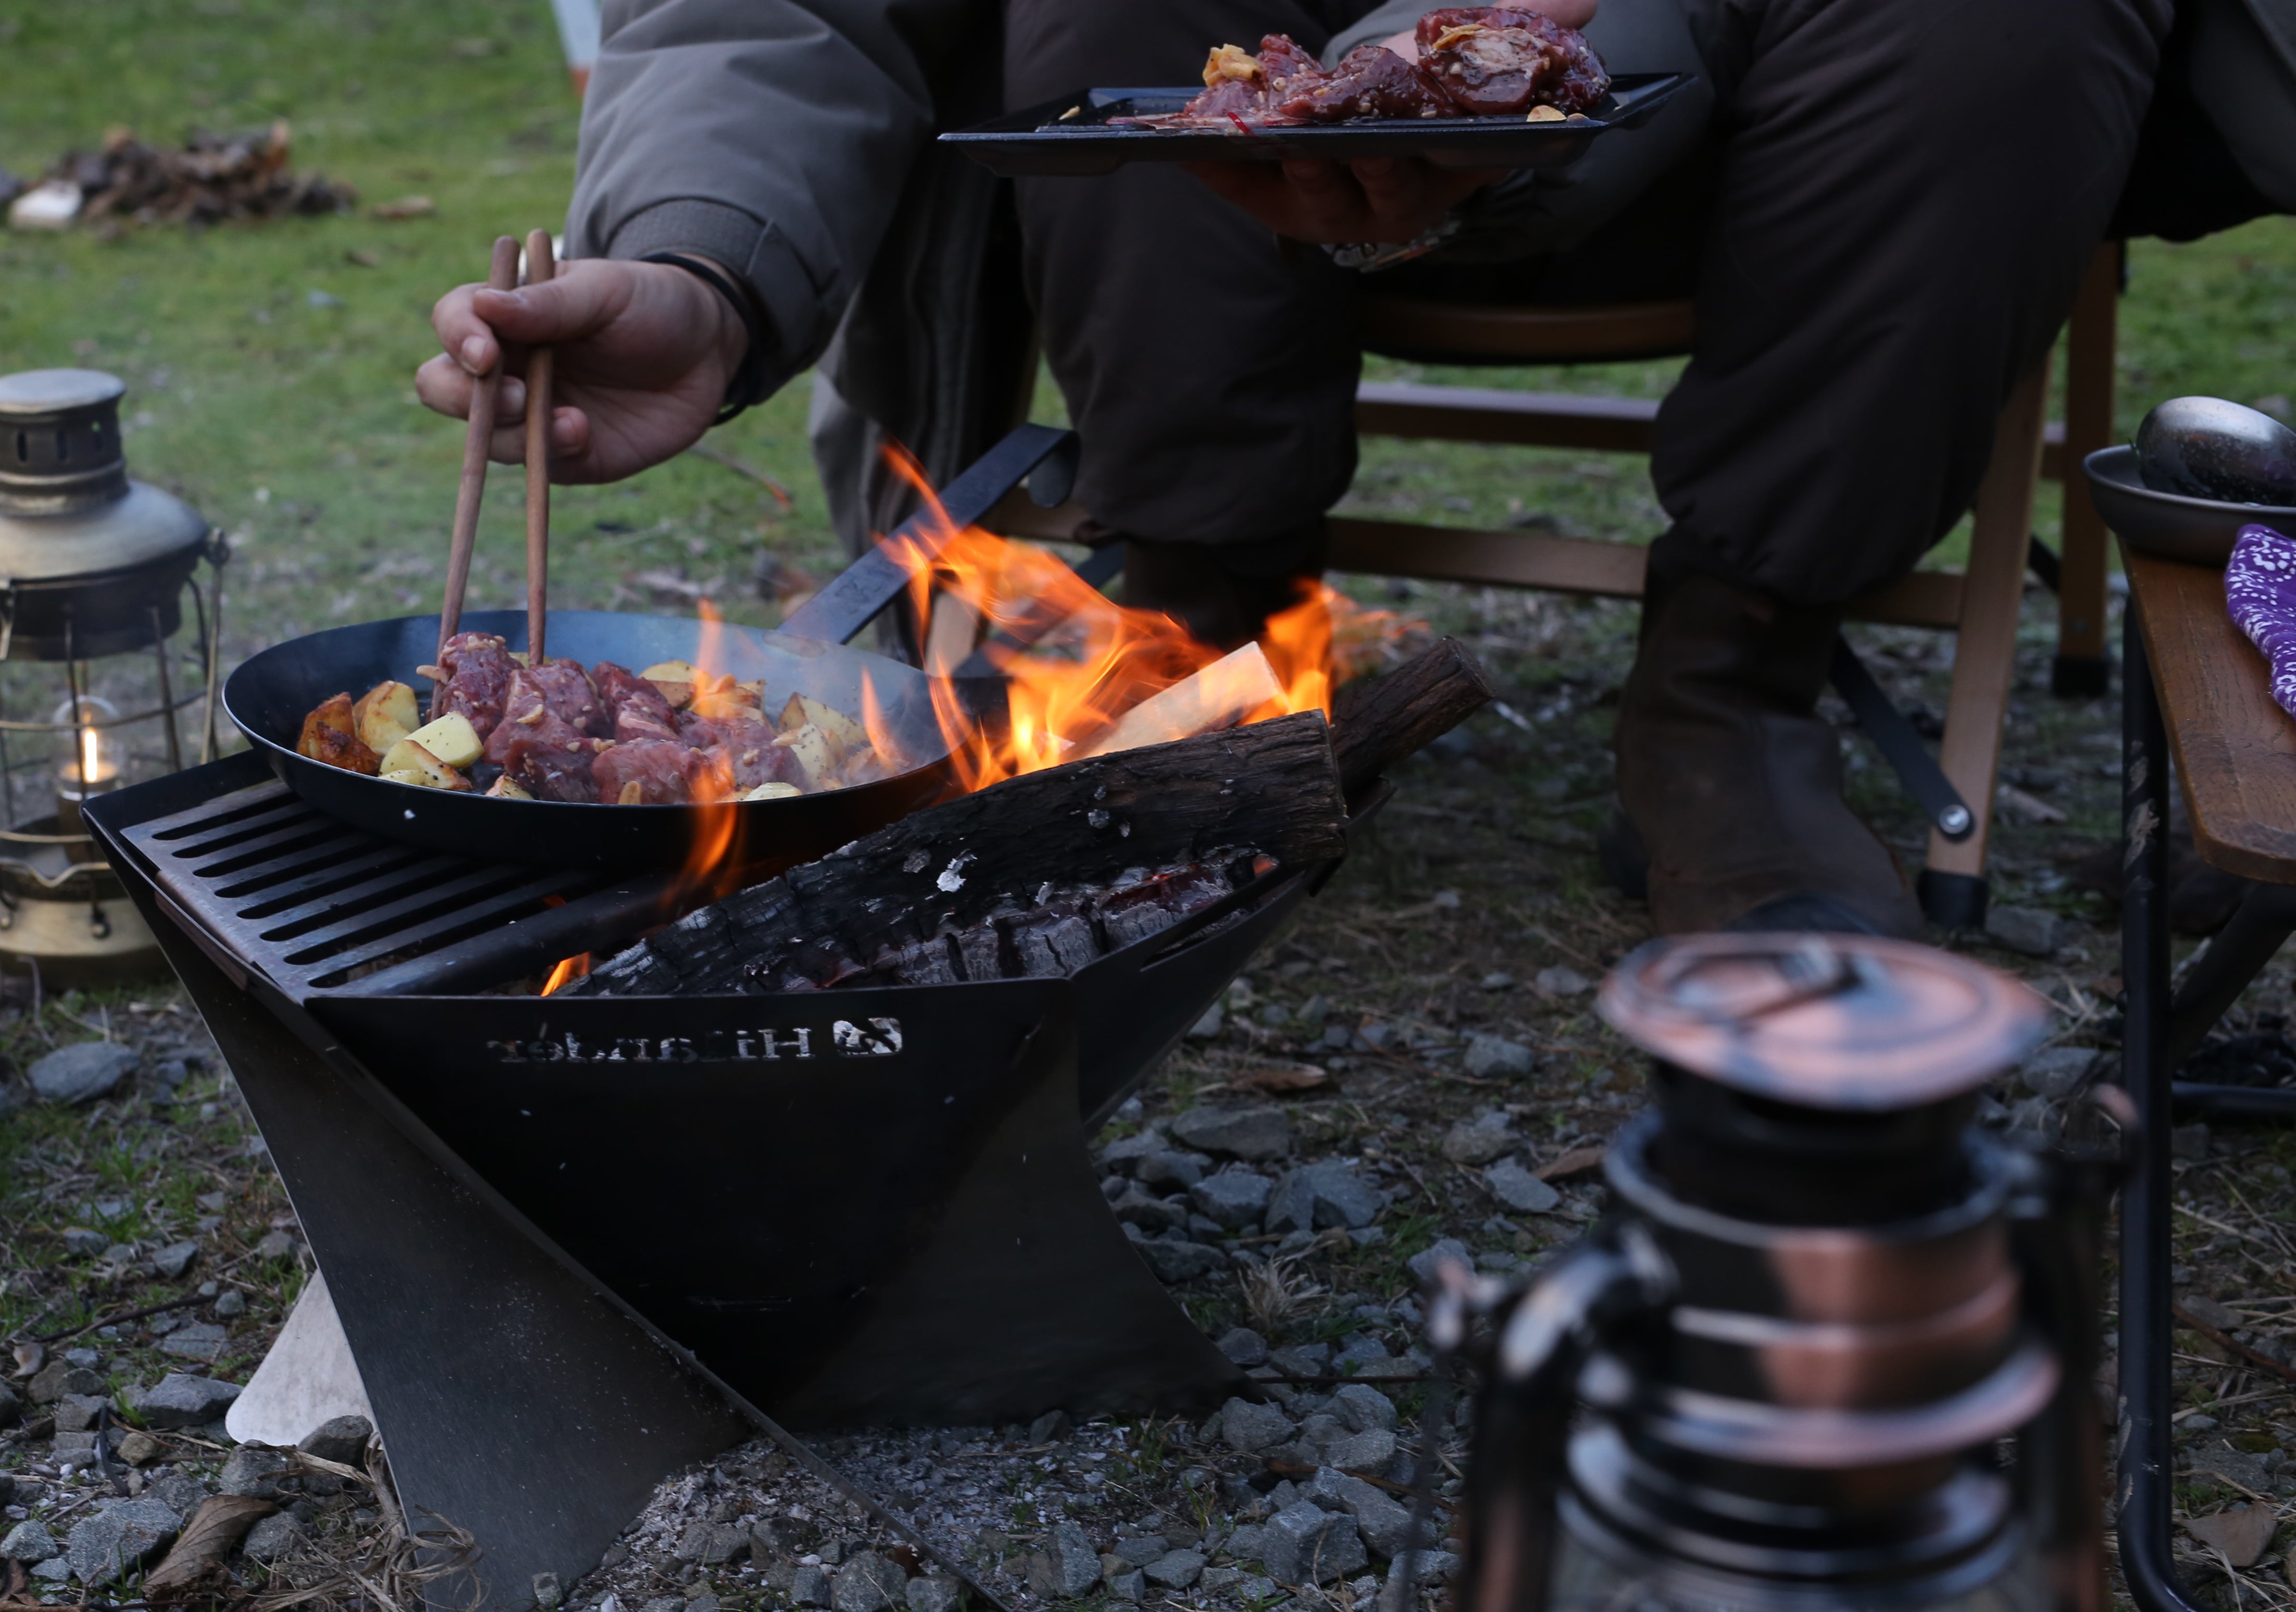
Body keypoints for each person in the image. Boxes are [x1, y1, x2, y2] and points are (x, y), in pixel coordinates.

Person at [419, 0, 2288, 936]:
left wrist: (1518, 46)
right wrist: (700, 255)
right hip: (1232, 148)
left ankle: (1734, 683)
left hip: (1784, 152)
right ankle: (1202, 620)